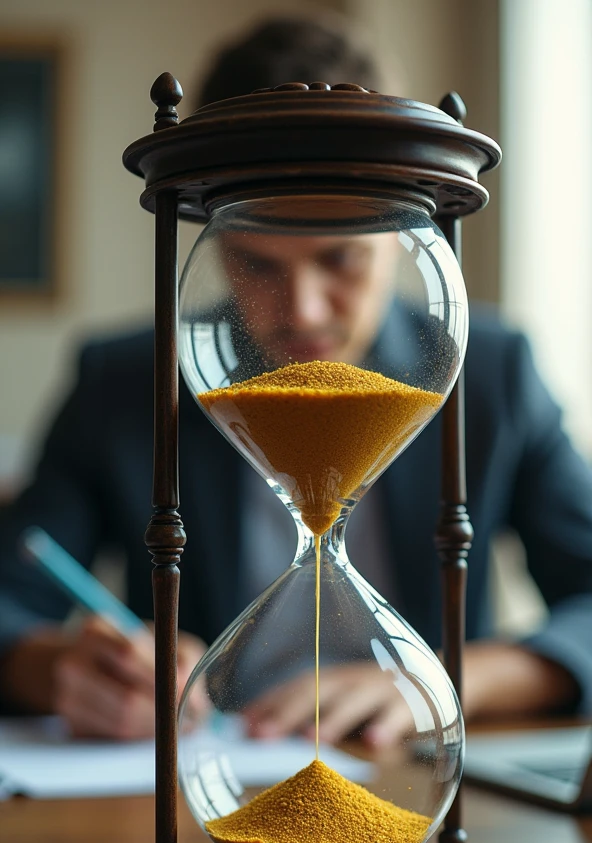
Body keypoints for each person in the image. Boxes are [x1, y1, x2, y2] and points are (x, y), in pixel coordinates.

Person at [0, 15, 589, 746]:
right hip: (207, 760)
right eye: (258, 264)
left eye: (340, 259)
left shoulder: (493, 372)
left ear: (406, 238)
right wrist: (62, 667)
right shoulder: (123, 381)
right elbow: (11, 597)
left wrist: (439, 677)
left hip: (414, 759)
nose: (304, 309)